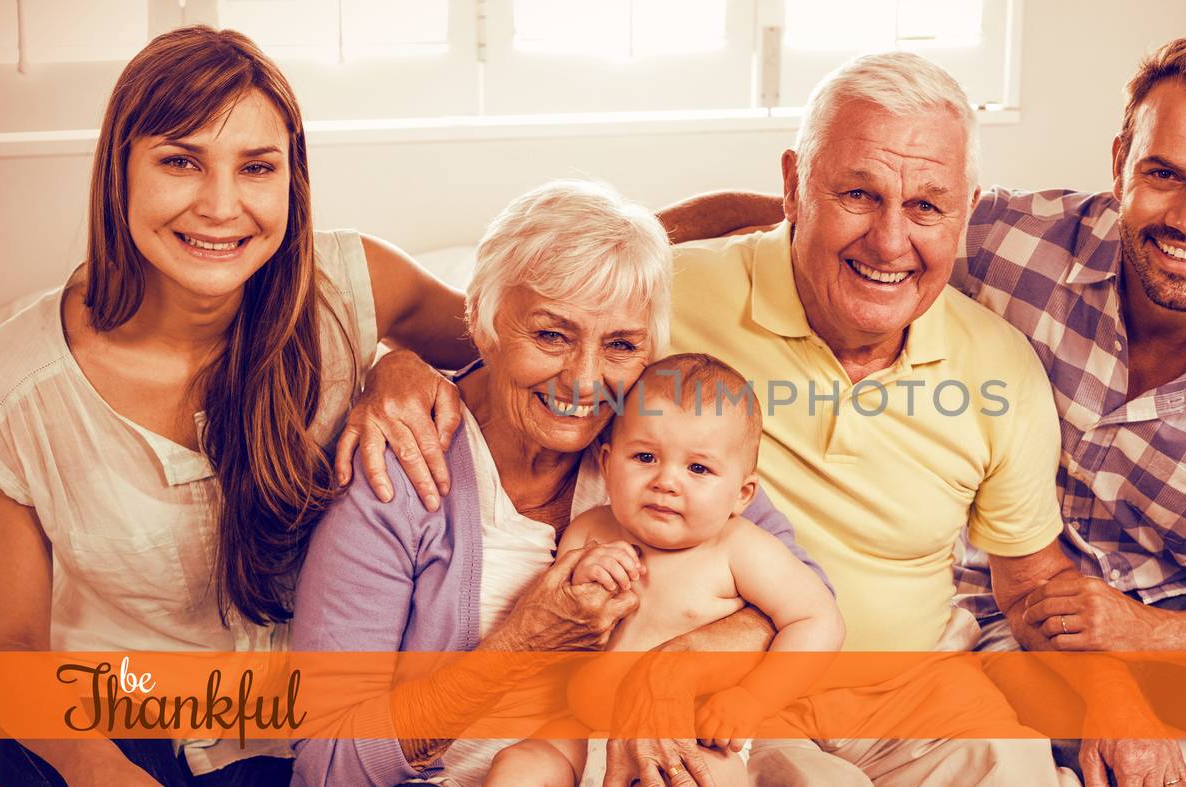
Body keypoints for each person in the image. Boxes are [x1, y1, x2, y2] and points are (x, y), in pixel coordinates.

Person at [664, 34, 1186, 787]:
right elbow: (858, 215)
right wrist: (612, 244)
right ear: (1120, 164)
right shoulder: (1012, 239)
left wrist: (1150, 636)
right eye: (1165, 173)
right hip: (1013, 600)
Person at [358, 52, 1073, 786]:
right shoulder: (679, 300)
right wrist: (398, 367)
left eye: (927, 205)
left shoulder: (1001, 367)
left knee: (1014, 766)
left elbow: (1027, 582)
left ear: (966, 210)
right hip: (730, 714)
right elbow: (529, 334)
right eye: (858, 194)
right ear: (794, 187)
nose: (891, 242)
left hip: (910, 694)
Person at [0, 26, 475, 787]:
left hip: (312, 729)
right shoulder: (10, 388)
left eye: (256, 167)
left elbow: (534, 345)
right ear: (121, 174)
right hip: (112, 731)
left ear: (290, 181)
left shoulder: (353, 287)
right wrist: (96, 768)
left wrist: (398, 367)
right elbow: (6, 648)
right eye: (180, 161)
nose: (220, 205)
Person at [289, 181, 832, 787]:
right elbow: (330, 762)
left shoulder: (656, 445)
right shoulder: (402, 466)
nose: (584, 380)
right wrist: (523, 643)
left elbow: (806, 599)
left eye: (621, 344)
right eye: (552, 335)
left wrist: (676, 666)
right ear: (485, 321)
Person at [485, 353, 846, 787]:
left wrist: (752, 699)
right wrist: (583, 573)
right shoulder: (591, 529)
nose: (666, 481)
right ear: (607, 462)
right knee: (517, 765)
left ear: (742, 493)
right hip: (578, 731)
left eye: (698, 468)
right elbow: (556, 614)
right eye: (644, 457)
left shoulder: (739, 549)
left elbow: (819, 620)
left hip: (689, 740)